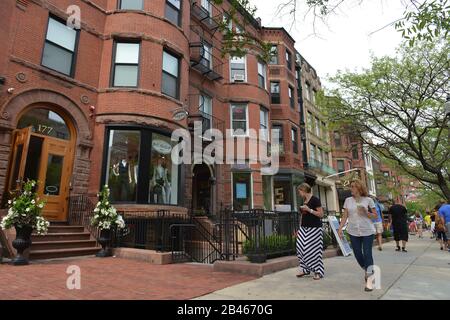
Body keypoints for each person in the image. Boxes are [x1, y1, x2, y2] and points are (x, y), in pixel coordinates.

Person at [338, 180, 378, 292]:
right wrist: (340, 228)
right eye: (351, 187)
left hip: (367, 231)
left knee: (367, 253)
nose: (351, 189)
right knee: (357, 254)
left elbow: (375, 216)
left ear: (359, 188)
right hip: (353, 231)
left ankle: (369, 280)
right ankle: (368, 269)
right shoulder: (347, 201)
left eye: (353, 187)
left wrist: (366, 212)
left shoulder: (368, 200)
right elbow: (345, 216)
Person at [296, 183, 325, 280]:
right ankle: (305, 269)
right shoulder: (304, 201)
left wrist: (309, 210)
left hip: (315, 228)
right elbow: (302, 216)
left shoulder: (315, 200)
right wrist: (299, 228)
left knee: (313, 250)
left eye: (299, 191)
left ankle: (318, 271)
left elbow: (321, 214)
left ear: (303, 190)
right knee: (300, 247)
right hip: (304, 228)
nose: (299, 193)